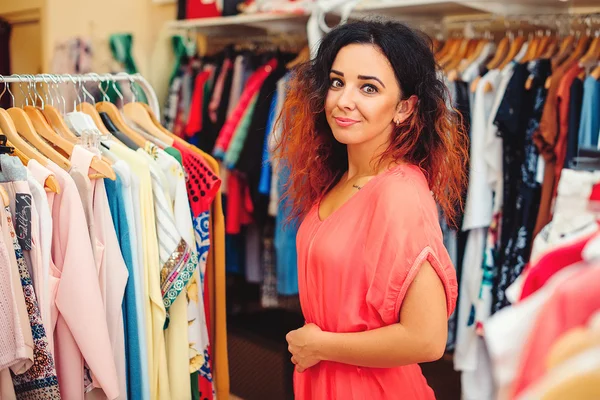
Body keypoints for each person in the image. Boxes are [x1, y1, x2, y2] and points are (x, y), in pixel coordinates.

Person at [274, 20, 469, 399]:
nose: (344, 100)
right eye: (336, 82)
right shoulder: (340, 179)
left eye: (368, 88)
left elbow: (427, 339)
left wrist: (320, 345)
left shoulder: (399, 194)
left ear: (404, 108)